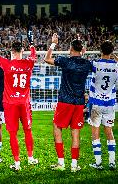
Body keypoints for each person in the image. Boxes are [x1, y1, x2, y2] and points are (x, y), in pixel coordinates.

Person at [0, 29, 38, 171]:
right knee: (28, 130)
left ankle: (17, 163)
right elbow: (34, 55)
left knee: (13, 133)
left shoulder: (7, 64)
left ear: (12, 52)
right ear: (22, 51)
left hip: (10, 103)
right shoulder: (29, 63)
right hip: (24, 102)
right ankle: (31, 158)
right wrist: (32, 43)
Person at [44, 33, 92, 172]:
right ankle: (74, 165)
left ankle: (61, 163)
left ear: (71, 49)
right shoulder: (87, 64)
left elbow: (47, 59)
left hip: (65, 100)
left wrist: (53, 43)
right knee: (75, 132)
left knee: (57, 128)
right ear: (82, 50)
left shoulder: (65, 61)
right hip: (78, 102)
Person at [89, 40, 117, 170]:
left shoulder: (95, 64)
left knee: (95, 133)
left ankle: (98, 163)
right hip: (110, 103)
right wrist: (114, 56)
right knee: (109, 132)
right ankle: (112, 162)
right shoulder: (116, 66)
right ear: (112, 51)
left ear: (100, 51)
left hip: (96, 103)